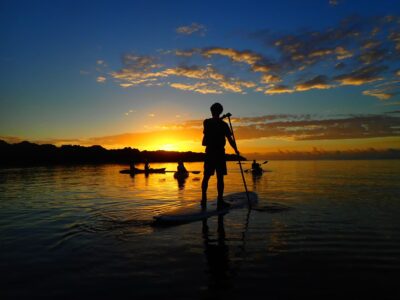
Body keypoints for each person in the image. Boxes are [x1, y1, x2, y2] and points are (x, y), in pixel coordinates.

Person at [201, 102, 239, 209]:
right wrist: (236, 149)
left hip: (209, 153)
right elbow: (230, 140)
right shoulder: (223, 125)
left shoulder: (207, 122)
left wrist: (222, 118)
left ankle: (204, 199)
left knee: (206, 177)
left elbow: (215, 122)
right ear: (220, 111)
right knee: (219, 178)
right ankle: (220, 200)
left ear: (211, 111)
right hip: (219, 153)